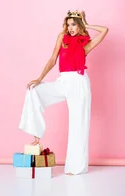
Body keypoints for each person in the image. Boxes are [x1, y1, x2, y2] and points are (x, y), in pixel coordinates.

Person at [19, 10, 109, 175]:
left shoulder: (85, 45)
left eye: (74, 24)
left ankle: (76, 168)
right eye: (68, 24)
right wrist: (40, 78)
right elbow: (53, 59)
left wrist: (86, 23)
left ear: (79, 25)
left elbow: (105, 30)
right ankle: (36, 135)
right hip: (63, 81)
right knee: (35, 91)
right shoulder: (62, 38)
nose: (70, 28)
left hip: (79, 83)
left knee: (79, 123)